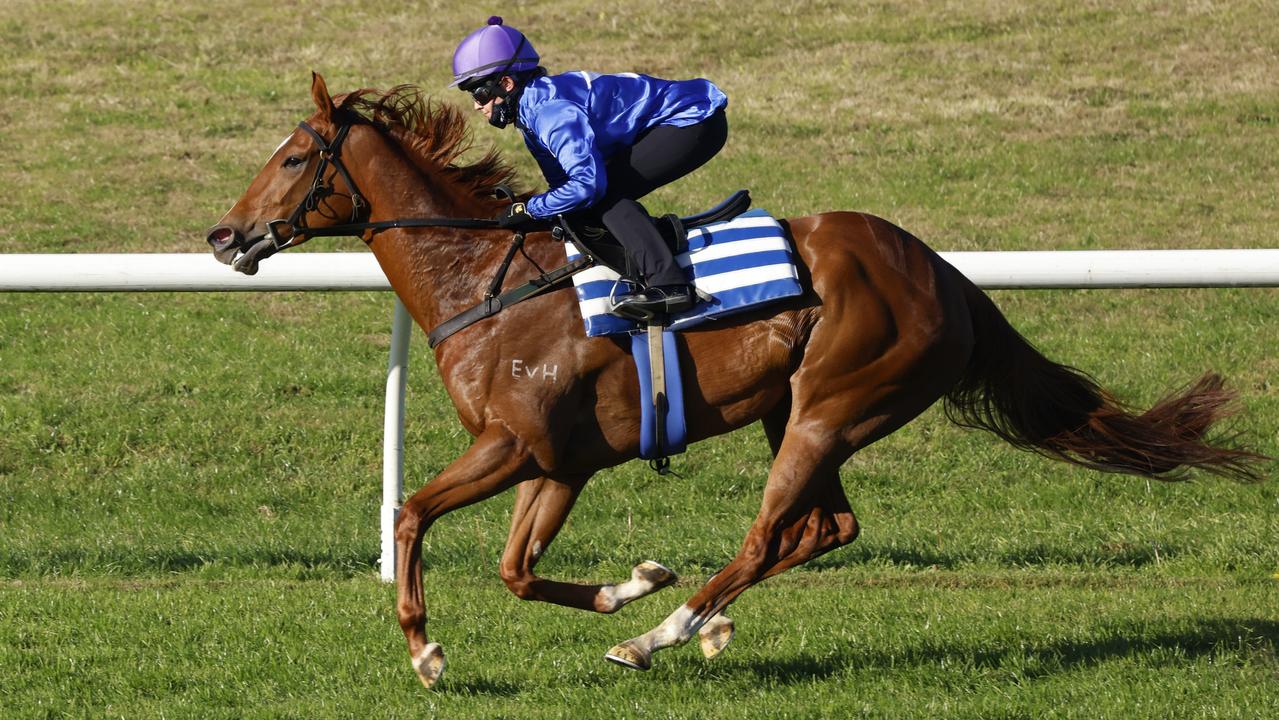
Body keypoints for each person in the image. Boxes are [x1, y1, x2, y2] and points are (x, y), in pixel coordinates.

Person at [449, 16, 729, 315]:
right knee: (588, 201)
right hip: (673, 123)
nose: (478, 105)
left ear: (506, 83)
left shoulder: (549, 112)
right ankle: (652, 248)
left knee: (604, 194)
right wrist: (539, 213)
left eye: (480, 93)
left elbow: (587, 186)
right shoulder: (529, 115)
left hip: (695, 121)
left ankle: (672, 287)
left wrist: (531, 208)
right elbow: (562, 185)